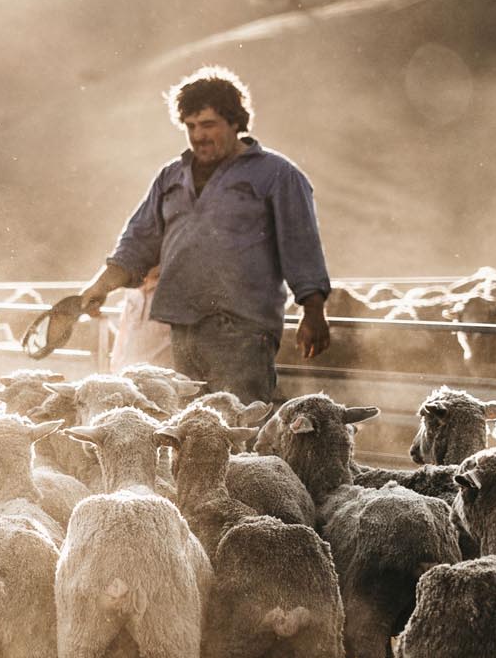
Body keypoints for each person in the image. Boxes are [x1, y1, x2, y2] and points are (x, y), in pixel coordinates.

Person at [70, 66, 330, 404]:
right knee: (189, 429)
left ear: (236, 122)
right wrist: (99, 287)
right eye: (190, 127)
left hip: (243, 331)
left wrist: (313, 310)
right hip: (181, 328)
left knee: (236, 429)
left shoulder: (276, 175)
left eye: (208, 125)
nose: (198, 136)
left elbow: (300, 244)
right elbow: (138, 241)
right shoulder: (172, 176)